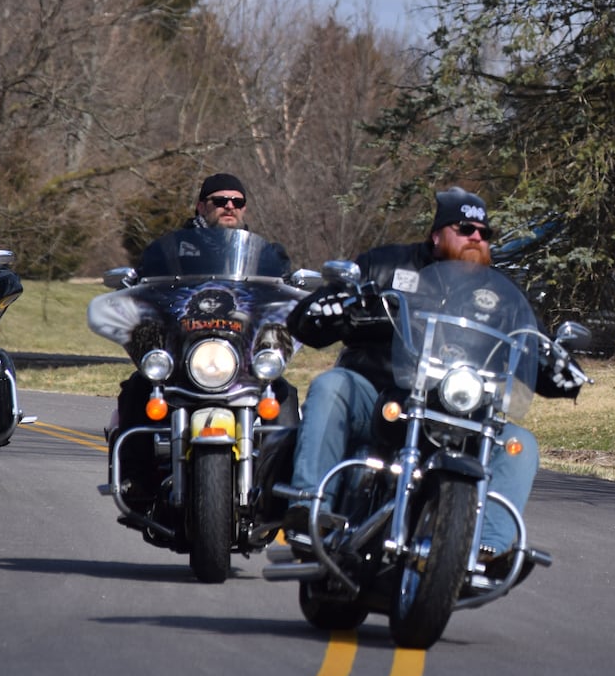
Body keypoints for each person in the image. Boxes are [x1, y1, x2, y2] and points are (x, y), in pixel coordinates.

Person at [285, 186, 583, 561]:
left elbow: (535, 343)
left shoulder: (502, 296)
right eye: (465, 228)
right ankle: (310, 502)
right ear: (437, 233)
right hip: (382, 397)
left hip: (463, 412)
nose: (476, 237)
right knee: (332, 386)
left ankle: (489, 547)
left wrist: (558, 361)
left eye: (484, 232)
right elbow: (310, 319)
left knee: (520, 444)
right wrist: (334, 305)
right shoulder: (387, 264)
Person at [108, 173, 298, 508]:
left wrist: (294, 292)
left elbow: (282, 293)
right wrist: (133, 290)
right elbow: (144, 287)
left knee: (282, 394)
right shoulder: (170, 249)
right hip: (186, 352)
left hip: (241, 357)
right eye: (219, 200)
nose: (229, 207)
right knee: (138, 389)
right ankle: (136, 481)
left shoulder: (266, 254)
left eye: (237, 202)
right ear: (201, 205)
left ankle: (280, 489)